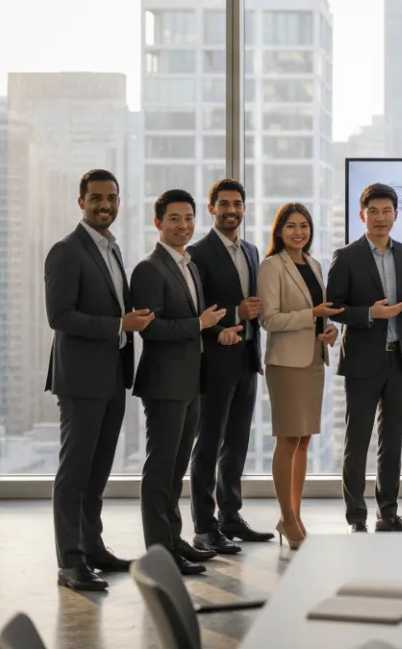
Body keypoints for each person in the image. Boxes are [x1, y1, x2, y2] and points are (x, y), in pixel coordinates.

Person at [46, 169, 154, 592]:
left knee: (97, 473)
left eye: (111, 197)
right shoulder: (66, 251)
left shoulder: (112, 250)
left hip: (112, 376)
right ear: (81, 203)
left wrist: (133, 321)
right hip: (80, 380)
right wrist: (118, 324)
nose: (104, 204)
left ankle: (93, 548)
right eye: (95, 198)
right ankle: (70, 562)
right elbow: (60, 316)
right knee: (74, 474)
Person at [131, 189, 242, 575]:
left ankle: (175, 540)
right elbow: (151, 329)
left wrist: (217, 332)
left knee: (176, 469)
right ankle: (160, 553)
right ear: (158, 222)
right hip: (164, 383)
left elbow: (199, 322)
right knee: (160, 471)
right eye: (174, 219)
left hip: (192, 381)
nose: (183, 226)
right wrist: (200, 325)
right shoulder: (149, 268)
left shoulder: (190, 265)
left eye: (189, 218)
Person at [326, 183, 402, 533]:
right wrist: (370, 313)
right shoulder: (347, 256)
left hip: (399, 360)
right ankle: (356, 517)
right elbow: (334, 307)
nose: (381, 218)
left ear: (395, 215)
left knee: (392, 442)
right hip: (362, 361)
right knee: (357, 442)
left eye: (387, 211)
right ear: (362, 215)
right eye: (374, 211)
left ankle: (388, 513)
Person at [186, 179, 273, 554]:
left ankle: (230, 518)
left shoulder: (252, 251)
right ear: (212, 210)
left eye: (237, 204)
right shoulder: (197, 253)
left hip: (246, 358)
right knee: (208, 444)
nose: (231, 210)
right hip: (214, 359)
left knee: (236, 443)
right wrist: (236, 315)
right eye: (223, 204)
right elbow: (196, 309)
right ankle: (204, 527)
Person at [257, 203, 341, 549]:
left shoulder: (315, 265)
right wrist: (312, 315)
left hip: (312, 360)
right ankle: (287, 518)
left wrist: (329, 329)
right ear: (279, 231)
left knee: (304, 440)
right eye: (290, 226)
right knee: (288, 439)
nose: (298, 232)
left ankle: (293, 513)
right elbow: (270, 320)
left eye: (304, 226)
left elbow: (321, 314)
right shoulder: (271, 266)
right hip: (287, 364)